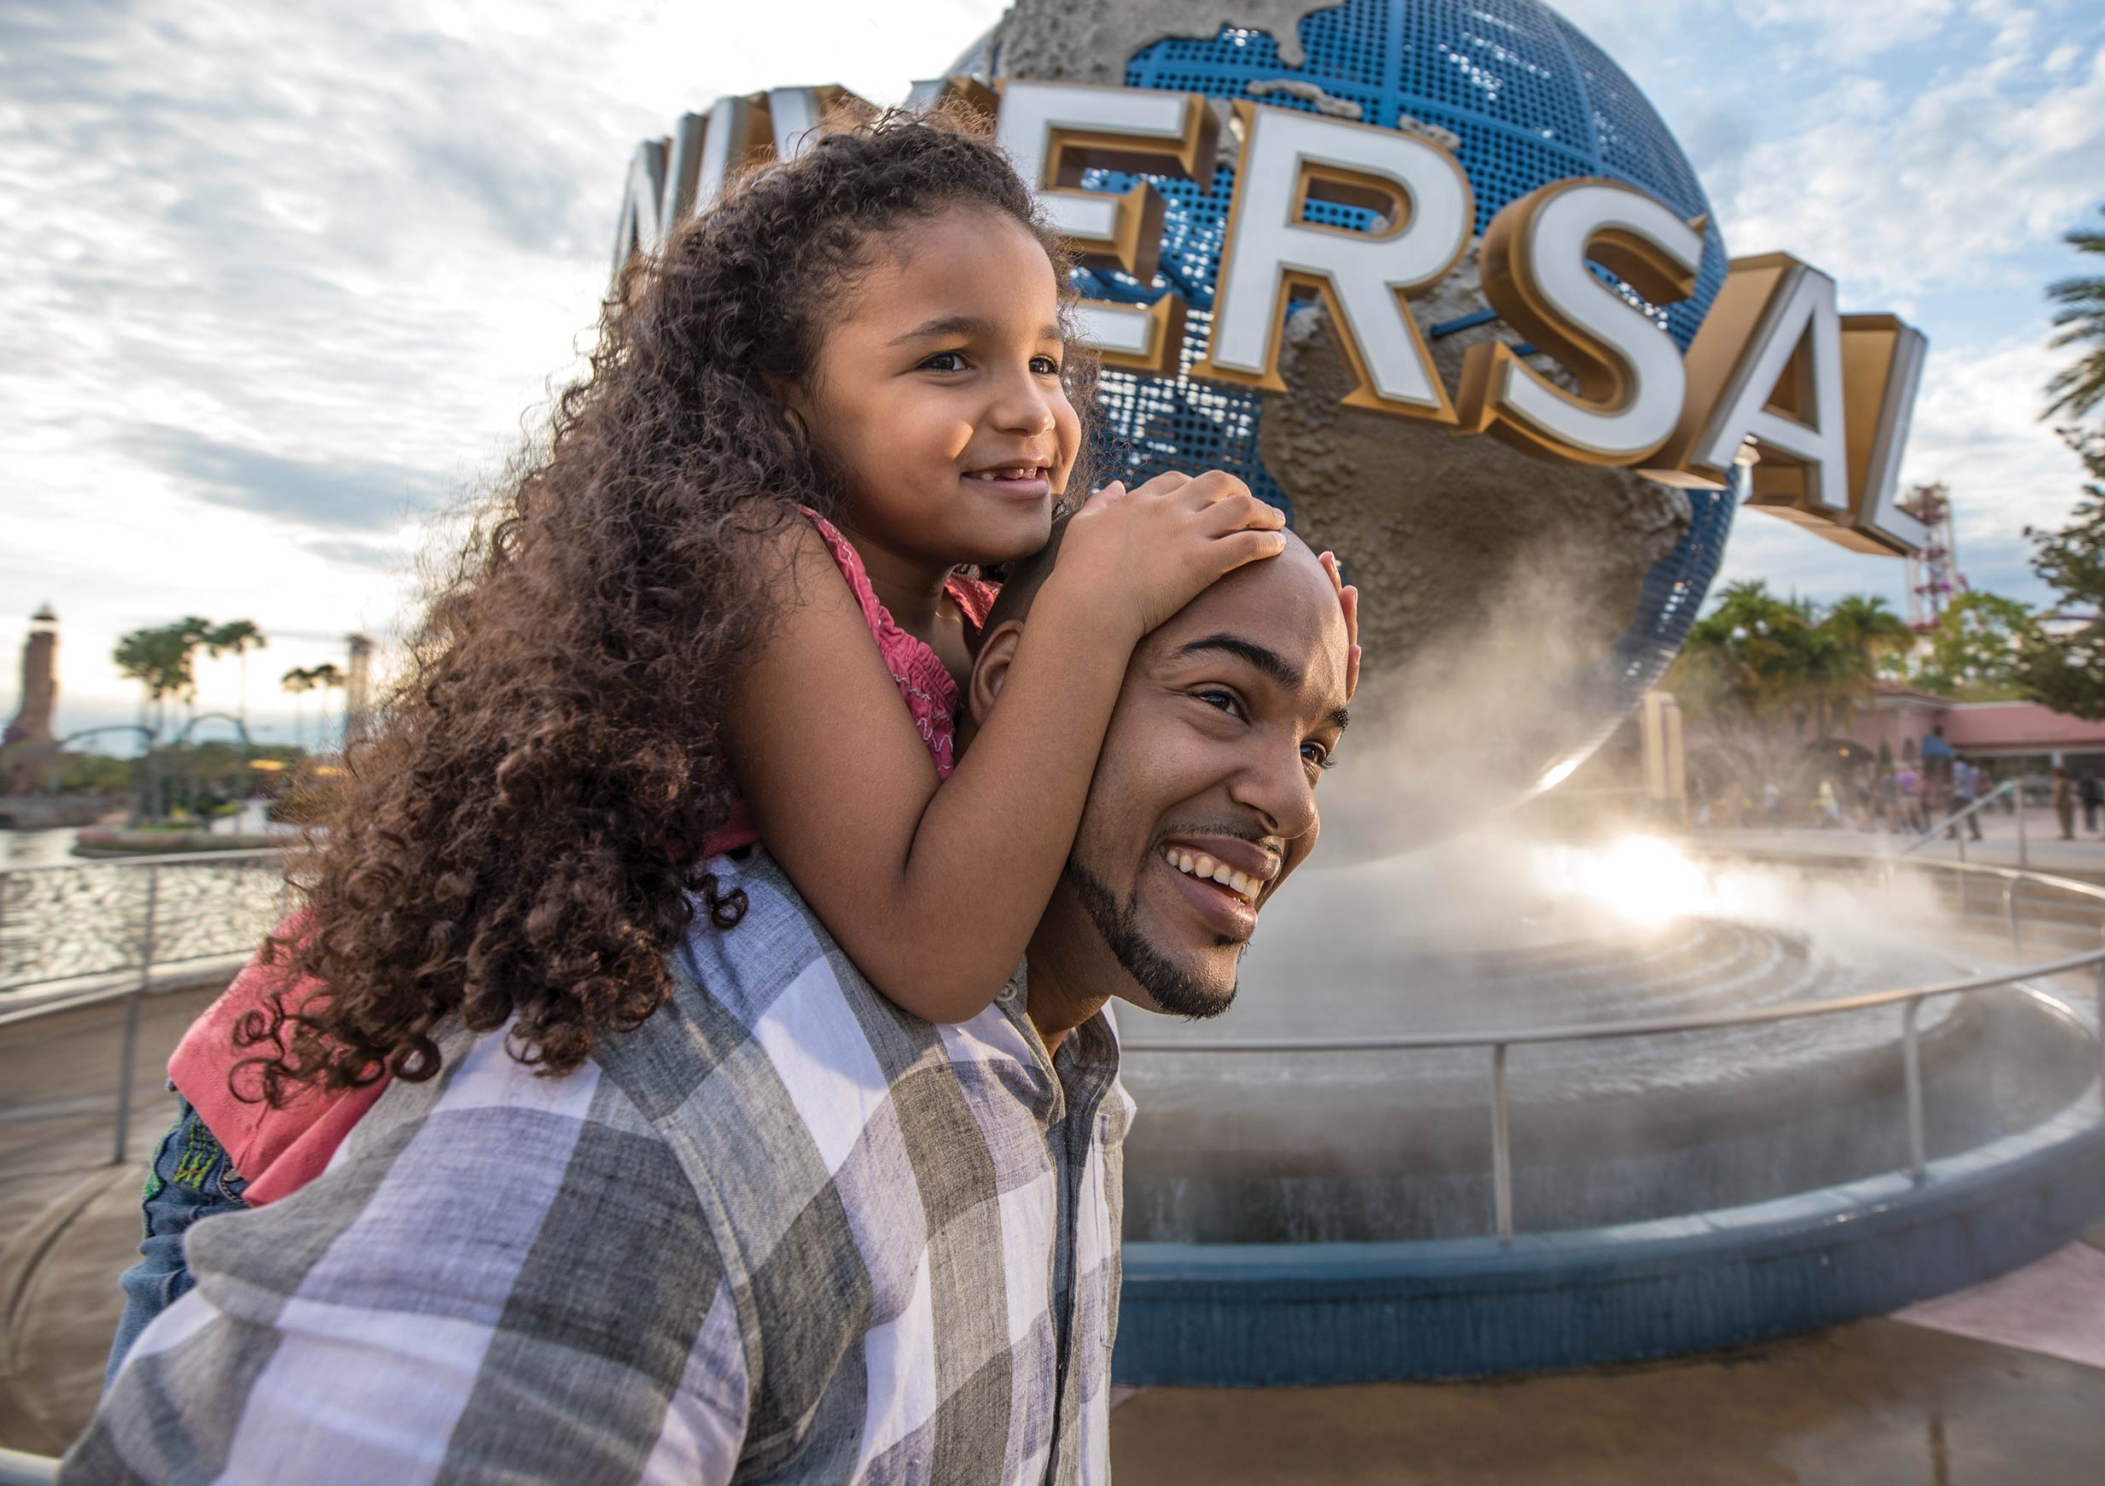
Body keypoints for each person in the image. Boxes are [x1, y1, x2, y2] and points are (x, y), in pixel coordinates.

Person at [102, 111, 1301, 1379]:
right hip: (280, 1158)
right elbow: (937, 943)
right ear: (784, 390)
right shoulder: (762, 560)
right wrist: (1096, 610)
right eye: (951, 362)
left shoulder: (954, 605)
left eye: (1048, 363)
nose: (1028, 412)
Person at [67, 527, 1357, 1483]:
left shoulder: (1066, 1071)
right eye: (1220, 700)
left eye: (1313, 745)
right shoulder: (686, 1106)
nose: (1291, 802)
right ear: (1017, 680)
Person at [2052, 765, 2077, 841]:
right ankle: (2069, 833)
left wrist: (2056, 802)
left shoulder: (2059, 781)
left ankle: (2066, 833)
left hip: (2063, 802)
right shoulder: (2067, 780)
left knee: (2063, 818)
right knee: (2069, 818)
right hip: (2069, 801)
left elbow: (2058, 793)